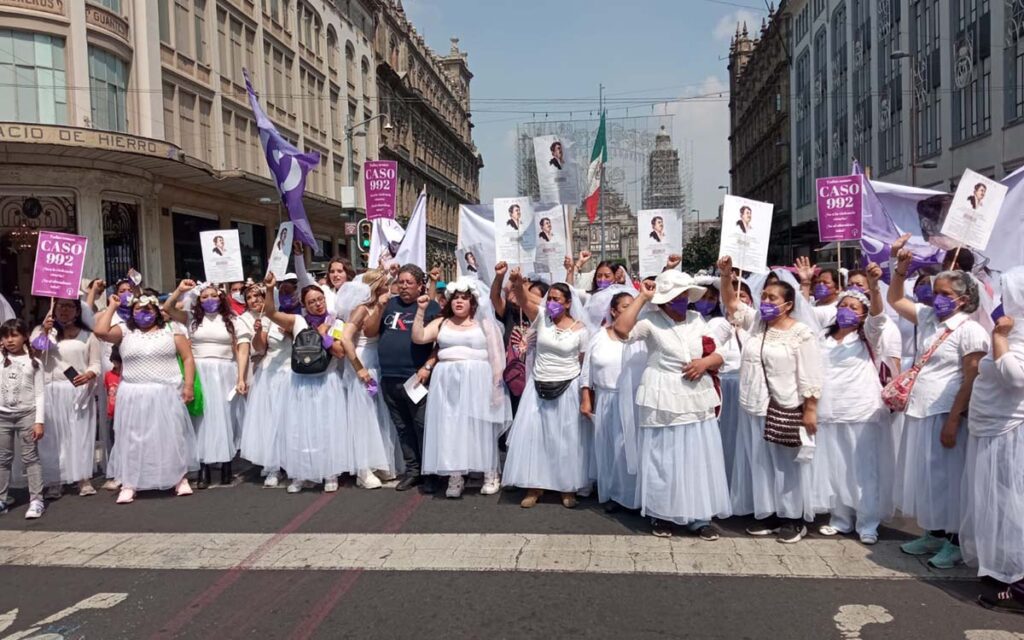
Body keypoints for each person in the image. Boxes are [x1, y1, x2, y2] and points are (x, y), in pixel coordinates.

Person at [887, 250, 988, 568]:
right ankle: (933, 532)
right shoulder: (929, 318)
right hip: (920, 410)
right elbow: (895, 301)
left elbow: (970, 379)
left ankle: (956, 540)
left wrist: (954, 420)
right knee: (927, 477)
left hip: (946, 414)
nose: (937, 298)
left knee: (949, 479)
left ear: (962, 298)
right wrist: (900, 270)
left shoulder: (970, 330)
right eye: (935, 292)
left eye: (945, 294)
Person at [613, 271, 730, 538]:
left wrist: (705, 363)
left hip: (695, 394)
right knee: (663, 456)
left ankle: (698, 515)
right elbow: (621, 330)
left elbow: (723, 350)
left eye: (685, 294)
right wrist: (643, 296)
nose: (683, 299)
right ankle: (661, 513)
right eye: (676, 295)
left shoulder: (697, 319)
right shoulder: (650, 321)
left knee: (696, 456)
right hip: (662, 394)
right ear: (665, 300)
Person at [719, 256, 823, 543]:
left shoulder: (801, 333)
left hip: (784, 407)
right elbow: (731, 304)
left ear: (788, 304)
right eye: (764, 295)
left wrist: (810, 410)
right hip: (752, 406)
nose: (765, 300)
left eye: (772, 297)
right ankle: (770, 513)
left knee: (786, 464)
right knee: (761, 463)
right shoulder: (756, 325)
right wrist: (727, 276)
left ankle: (793, 518)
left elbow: (810, 375)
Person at [812, 270, 895, 545]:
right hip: (829, 411)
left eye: (854, 307)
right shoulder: (823, 338)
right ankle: (840, 519)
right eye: (843, 306)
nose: (847, 310)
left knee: (863, 469)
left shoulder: (867, 337)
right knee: (836, 467)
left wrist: (873, 287)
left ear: (862, 314)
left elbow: (879, 317)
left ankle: (867, 522)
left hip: (860, 410)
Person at [961, 267, 1024, 614]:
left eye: (1007, 292)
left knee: (1017, 505)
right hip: (991, 427)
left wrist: (1000, 339)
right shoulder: (1013, 331)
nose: (1001, 299)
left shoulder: (1014, 334)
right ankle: (1005, 569)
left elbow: (1016, 379)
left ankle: (1018, 583)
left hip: (1012, 432)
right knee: (1001, 503)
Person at [94, 292, 197, 504]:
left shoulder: (172, 330)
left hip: (165, 391)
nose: (144, 313)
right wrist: (112, 306)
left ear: (157, 311)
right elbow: (100, 331)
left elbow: (187, 358)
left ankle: (178, 478)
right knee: (133, 439)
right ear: (132, 311)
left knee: (171, 436)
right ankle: (130, 482)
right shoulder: (125, 330)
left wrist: (188, 385)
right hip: (133, 393)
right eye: (139, 309)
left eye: (149, 309)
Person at [413, 278, 511, 498]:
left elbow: (496, 357)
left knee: (480, 427)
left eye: (464, 298)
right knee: (450, 427)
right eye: (455, 298)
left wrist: (496, 388)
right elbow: (419, 337)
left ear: (473, 303)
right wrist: (420, 311)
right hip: (446, 382)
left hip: (477, 380)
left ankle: (490, 473)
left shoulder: (484, 324)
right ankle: (455, 476)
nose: (459, 302)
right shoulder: (441, 323)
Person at [502, 271, 591, 508]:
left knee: (566, 440)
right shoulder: (541, 317)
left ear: (569, 303)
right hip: (538, 385)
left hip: (567, 387)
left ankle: (566, 488)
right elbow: (522, 300)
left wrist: (585, 394)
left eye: (557, 300)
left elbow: (584, 364)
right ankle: (534, 487)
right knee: (536, 439)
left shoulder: (581, 329)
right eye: (549, 298)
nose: (551, 303)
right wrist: (518, 283)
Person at [262, 273, 347, 494]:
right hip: (301, 383)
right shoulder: (298, 321)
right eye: (311, 302)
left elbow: (339, 352)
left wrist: (324, 335)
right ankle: (301, 473)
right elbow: (270, 313)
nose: (317, 305)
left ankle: (330, 473)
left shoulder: (336, 322)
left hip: (326, 382)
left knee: (326, 428)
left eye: (320, 300)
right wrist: (270, 289)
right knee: (300, 429)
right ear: (304, 305)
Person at [165, 282, 251, 489]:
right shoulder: (192, 319)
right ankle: (203, 465)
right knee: (202, 418)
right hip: (200, 372)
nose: (209, 300)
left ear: (221, 298)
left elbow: (242, 350)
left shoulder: (233, 320)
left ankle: (226, 465)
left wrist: (241, 377)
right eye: (204, 297)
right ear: (198, 300)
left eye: (214, 296)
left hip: (225, 372)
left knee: (225, 418)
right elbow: (167, 309)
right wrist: (181, 290)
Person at [336, 270, 402, 489]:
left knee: (377, 414)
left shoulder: (380, 307)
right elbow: (345, 338)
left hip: (378, 363)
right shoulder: (361, 309)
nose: (388, 288)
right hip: (364, 363)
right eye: (385, 285)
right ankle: (362, 468)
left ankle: (378, 460)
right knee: (362, 416)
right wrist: (359, 368)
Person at [379, 264, 440, 493]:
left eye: (409, 282)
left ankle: (430, 473)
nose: (404, 286)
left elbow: (439, 344)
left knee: (422, 426)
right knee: (402, 427)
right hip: (389, 377)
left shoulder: (431, 307)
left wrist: (427, 367)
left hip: (415, 378)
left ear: (420, 285)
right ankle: (413, 471)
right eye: (400, 282)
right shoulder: (389, 305)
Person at [31, 299, 101, 498]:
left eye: (69, 306)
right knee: (53, 437)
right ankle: (55, 479)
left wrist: (88, 375)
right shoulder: (42, 332)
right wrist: (45, 332)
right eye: (60, 306)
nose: (64, 310)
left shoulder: (88, 336)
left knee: (79, 434)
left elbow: (95, 364)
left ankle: (82, 478)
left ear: (77, 311)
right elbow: (34, 354)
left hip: (77, 390)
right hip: (50, 389)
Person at [581, 288, 640, 511]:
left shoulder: (640, 335)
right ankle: (614, 494)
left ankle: (634, 495)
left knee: (630, 448)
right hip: (607, 398)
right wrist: (586, 398)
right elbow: (587, 371)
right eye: (626, 307)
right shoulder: (599, 337)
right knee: (610, 448)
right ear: (614, 311)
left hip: (633, 399)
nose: (631, 311)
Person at [239, 285, 292, 488]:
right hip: (271, 374)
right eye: (250, 297)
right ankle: (273, 467)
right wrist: (259, 331)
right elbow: (260, 348)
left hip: (293, 373)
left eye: (259, 296)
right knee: (271, 421)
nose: (256, 300)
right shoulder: (265, 320)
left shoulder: (292, 316)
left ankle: (293, 463)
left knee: (290, 420)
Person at [692, 277, 744, 483]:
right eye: (702, 298)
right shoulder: (690, 319)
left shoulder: (720, 323)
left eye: (712, 298)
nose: (707, 302)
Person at [0, 320, 46, 519]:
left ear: (25, 336)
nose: (10, 340)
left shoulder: (34, 362)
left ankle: (36, 499)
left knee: (30, 458)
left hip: (27, 415)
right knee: (2, 459)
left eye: (15, 335)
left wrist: (39, 421)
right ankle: (2, 498)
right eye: (5, 336)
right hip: (2, 416)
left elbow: (40, 394)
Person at [295, 241, 355, 312]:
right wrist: (298, 255)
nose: (335, 275)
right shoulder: (325, 291)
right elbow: (303, 280)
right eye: (332, 272)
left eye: (339, 271)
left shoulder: (356, 293)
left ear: (348, 273)